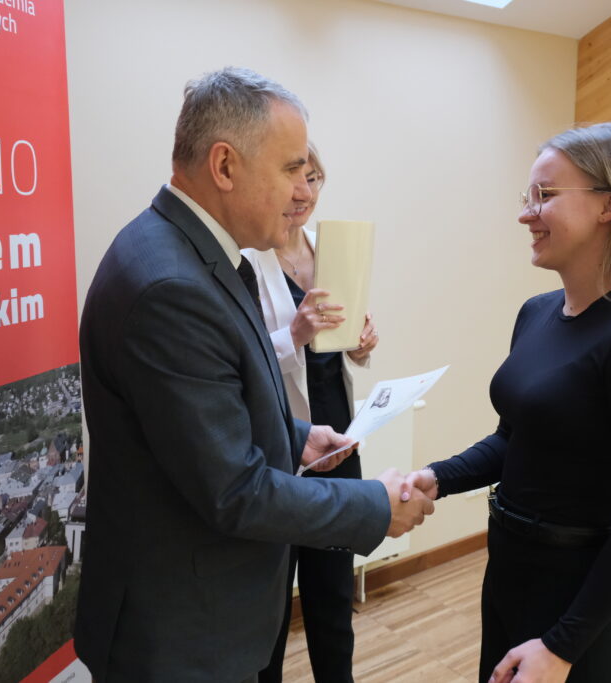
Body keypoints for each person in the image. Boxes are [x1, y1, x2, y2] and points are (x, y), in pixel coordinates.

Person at [74, 67, 433, 683]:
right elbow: (234, 490)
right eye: (292, 168)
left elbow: (206, 414)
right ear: (225, 165)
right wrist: (374, 506)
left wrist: (298, 436)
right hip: (181, 634)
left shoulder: (189, 252)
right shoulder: (171, 288)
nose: (303, 190)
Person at [403, 122, 611, 683]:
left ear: (608, 205)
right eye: (527, 196)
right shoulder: (536, 312)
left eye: (545, 195)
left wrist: (561, 648)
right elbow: (514, 440)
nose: (525, 214)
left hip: (578, 616)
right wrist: (436, 478)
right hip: (509, 579)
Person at [243, 144, 379, 683]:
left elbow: (342, 349)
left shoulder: (332, 249)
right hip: (281, 447)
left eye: (315, 177)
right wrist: (294, 334)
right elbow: (243, 363)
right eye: (295, 176)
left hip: (338, 444)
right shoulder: (248, 259)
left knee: (332, 598)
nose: (305, 192)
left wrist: (362, 344)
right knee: (271, 607)